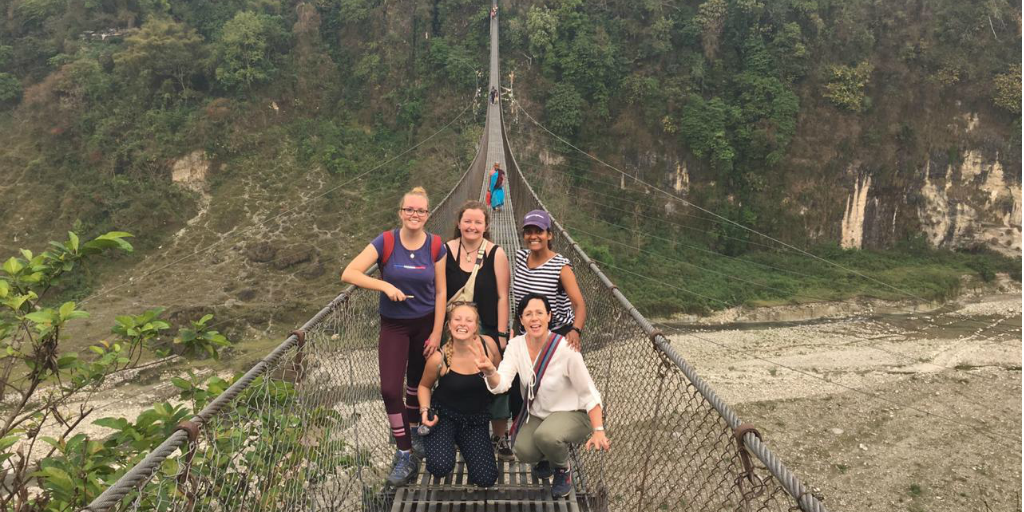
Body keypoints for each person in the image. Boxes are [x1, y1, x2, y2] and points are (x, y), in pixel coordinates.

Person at [341, 186, 447, 486]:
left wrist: (438, 331)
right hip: (394, 325)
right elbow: (350, 272)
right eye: (409, 210)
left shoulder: (436, 246)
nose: (414, 215)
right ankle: (404, 453)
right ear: (401, 213)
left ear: (428, 215)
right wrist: (384, 286)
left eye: (420, 211)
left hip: (426, 324)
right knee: (390, 389)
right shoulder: (386, 241)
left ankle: (412, 432)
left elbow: (441, 292)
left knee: (415, 384)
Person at [472, 294, 610, 498]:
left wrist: (598, 430)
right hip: (540, 413)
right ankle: (548, 456)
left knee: (547, 436)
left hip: (574, 413)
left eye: (539, 313)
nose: (534, 318)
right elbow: (501, 385)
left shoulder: (566, 349)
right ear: (521, 319)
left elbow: (588, 392)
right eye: (528, 314)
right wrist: (490, 371)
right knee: (522, 449)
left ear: (549, 316)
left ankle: (563, 469)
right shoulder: (516, 346)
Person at [444, 201, 514, 460]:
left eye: (477, 222)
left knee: (495, 375)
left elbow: (502, 297)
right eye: (467, 221)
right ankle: (457, 431)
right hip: (454, 326)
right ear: (459, 223)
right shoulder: (445, 251)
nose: (472, 226)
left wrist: (502, 335)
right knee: (450, 376)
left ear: (486, 226)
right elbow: (439, 293)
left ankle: (499, 435)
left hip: (486, 325)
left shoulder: (496, 254)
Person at [417, 303, 502, 487]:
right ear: (449, 325)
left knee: (486, 479)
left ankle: (460, 442)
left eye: (468, 320)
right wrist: (425, 410)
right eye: (457, 319)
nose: (462, 324)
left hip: (475, 419)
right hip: (444, 416)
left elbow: (501, 382)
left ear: (476, 326)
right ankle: (443, 439)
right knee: (440, 466)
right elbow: (424, 386)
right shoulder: (439, 359)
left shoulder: (489, 347)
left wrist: (489, 370)